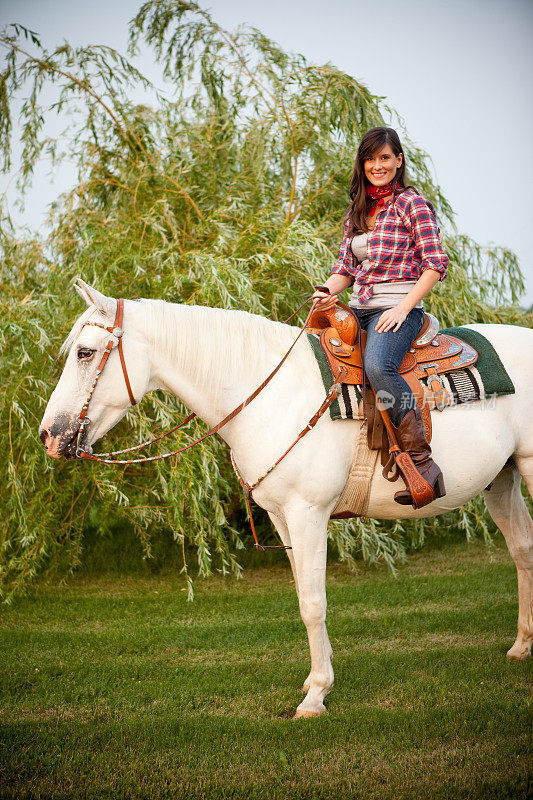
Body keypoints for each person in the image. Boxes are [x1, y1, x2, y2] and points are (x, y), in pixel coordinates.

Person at [312, 126, 448, 506]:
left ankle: (423, 466)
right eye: (370, 159)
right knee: (314, 355)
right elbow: (346, 268)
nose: (377, 165)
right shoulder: (358, 210)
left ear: (398, 160)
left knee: (379, 366)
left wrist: (403, 307)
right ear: (362, 164)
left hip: (399, 309)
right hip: (359, 309)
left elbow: (435, 264)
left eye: (385, 158)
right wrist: (324, 293)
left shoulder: (412, 204)